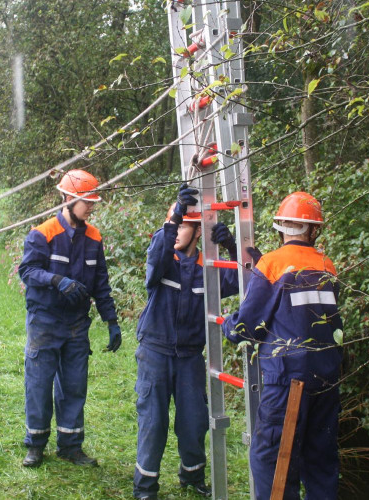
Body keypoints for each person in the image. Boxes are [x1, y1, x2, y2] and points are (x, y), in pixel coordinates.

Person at [221, 192, 342, 500]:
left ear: (281, 227)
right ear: (314, 229)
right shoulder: (327, 266)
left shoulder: (272, 264)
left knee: (274, 461)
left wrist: (229, 328)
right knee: (320, 461)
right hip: (327, 377)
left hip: (290, 381)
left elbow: (249, 323)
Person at [132, 184, 241, 500]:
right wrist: (172, 218)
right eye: (175, 224)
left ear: (198, 232)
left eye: (184, 225)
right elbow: (155, 259)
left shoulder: (205, 269)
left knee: (194, 422)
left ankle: (192, 477)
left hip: (190, 357)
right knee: (153, 422)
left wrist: (232, 248)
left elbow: (238, 282)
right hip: (154, 352)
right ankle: (145, 487)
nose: (178, 230)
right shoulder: (163, 258)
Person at [17, 169, 122, 468]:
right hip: (45, 321)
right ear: (67, 198)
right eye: (86, 201)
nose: (91, 207)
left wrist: (111, 321)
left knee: (74, 386)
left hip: (77, 326)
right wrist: (56, 280)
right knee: (39, 384)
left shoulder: (94, 237)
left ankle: (71, 446)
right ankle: (36, 445)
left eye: (93, 202)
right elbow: (27, 271)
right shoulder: (43, 233)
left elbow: (100, 283)